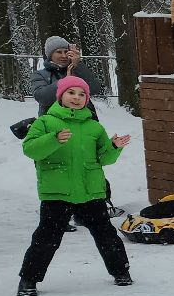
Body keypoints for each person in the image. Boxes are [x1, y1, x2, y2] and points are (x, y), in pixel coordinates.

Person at [16, 77, 133, 295]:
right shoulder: (45, 122)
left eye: (82, 94)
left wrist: (114, 147)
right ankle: (28, 280)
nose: (77, 98)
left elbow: (104, 158)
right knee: (47, 238)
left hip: (91, 192)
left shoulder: (94, 126)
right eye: (71, 93)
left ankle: (121, 272)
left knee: (106, 235)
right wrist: (53, 139)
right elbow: (30, 149)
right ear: (60, 96)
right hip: (57, 193)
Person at [26, 38, 121, 217]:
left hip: (84, 125)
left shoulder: (77, 70)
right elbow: (42, 97)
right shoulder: (40, 75)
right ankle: (61, 214)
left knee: (90, 164)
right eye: (58, 52)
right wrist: (67, 80)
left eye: (65, 51)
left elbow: (95, 87)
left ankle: (95, 207)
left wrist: (79, 66)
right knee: (58, 169)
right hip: (55, 130)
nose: (63, 56)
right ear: (49, 55)